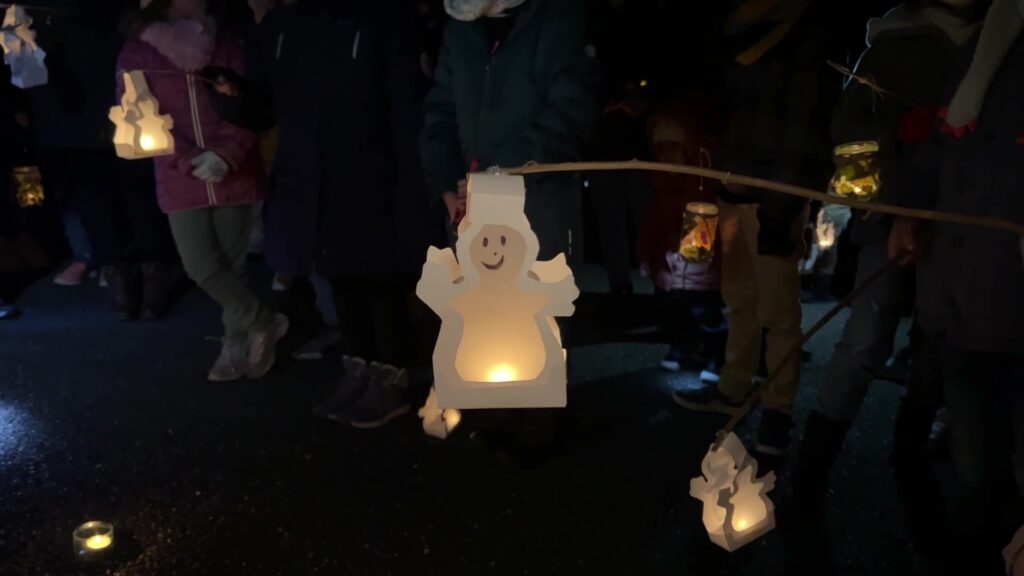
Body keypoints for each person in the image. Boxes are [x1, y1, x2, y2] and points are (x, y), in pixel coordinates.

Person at [787, 1, 984, 570]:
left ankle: (913, 456)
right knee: (866, 336)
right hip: (896, 219)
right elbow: (855, 134)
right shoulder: (897, 42)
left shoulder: (999, 39)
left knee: (941, 342)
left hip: (965, 230)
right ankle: (811, 474)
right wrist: (892, 203)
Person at [232, 0, 437, 427]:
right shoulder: (284, 25)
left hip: (372, 175)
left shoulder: (385, 19)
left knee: (379, 278)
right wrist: (230, 95)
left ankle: (391, 376)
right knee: (339, 275)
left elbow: (408, 111)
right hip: (309, 178)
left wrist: (414, 190)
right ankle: (358, 367)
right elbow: (268, 101)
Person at [420, 0, 600, 458]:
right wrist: (443, 180)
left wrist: (505, 171)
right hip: (469, 199)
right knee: (484, 312)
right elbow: (440, 108)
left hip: (538, 197)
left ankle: (538, 425)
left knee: (538, 311)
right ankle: (492, 417)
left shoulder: (558, 18)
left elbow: (571, 110)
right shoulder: (461, 25)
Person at [890, 0, 1024, 571]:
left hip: (1014, 299)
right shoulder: (992, 37)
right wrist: (911, 212)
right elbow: (943, 144)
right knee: (973, 467)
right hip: (963, 294)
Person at [672, 0, 839, 457]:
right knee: (739, 300)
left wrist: (783, 212)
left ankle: (778, 410)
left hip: (773, 198)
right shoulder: (737, 35)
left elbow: (805, 132)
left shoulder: (806, 37)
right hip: (731, 189)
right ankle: (733, 387)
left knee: (778, 313)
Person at [117, 0, 285, 380]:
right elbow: (137, 112)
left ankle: (235, 344)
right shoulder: (137, 51)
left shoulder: (227, 42)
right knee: (201, 266)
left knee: (234, 266)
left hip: (235, 170)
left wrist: (227, 153)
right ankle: (262, 321)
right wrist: (189, 158)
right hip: (181, 176)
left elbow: (249, 101)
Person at [636, 107, 727, 381]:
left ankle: (716, 355)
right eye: (660, 147)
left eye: (672, 145)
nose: (666, 152)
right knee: (676, 309)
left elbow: (711, 222)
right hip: (669, 263)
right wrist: (644, 254)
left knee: (706, 311)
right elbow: (651, 222)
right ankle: (683, 347)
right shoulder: (658, 182)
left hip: (699, 263)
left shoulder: (702, 181)